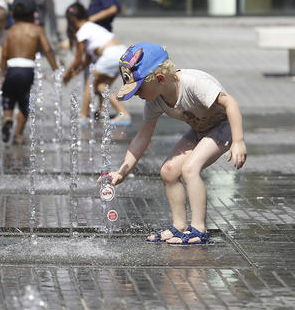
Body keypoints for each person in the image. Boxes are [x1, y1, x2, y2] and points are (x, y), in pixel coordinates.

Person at [106, 43, 247, 245]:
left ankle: (199, 229)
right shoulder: (155, 99)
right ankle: (180, 226)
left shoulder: (194, 83)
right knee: (169, 171)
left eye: (139, 88)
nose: (136, 94)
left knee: (190, 168)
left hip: (224, 127)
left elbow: (230, 103)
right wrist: (121, 172)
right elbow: (142, 137)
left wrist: (239, 141)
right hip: (200, 131)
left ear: (160, 79)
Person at [0, 0, 58, 144]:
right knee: (24, 102)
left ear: (12, 14)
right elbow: (48, 50)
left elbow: (4, 54)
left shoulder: (11, 31)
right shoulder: (37, 30)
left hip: (12, 68)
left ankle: (7, 118)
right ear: (34, 14)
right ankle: (18, 134)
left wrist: (2, 73)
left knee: (8, 96)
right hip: (27, 70)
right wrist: (56, 69)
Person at [60, 2, 131, 126]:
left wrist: (66, 75)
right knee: (101, 86)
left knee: (90, 82)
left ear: (73, 19)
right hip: (122, 53)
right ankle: (117, 114)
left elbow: (78, 59)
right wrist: (74, 74)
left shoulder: (82, 31)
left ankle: (83, 116)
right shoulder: (91, 27)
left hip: (111, 54)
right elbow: (86, 61)